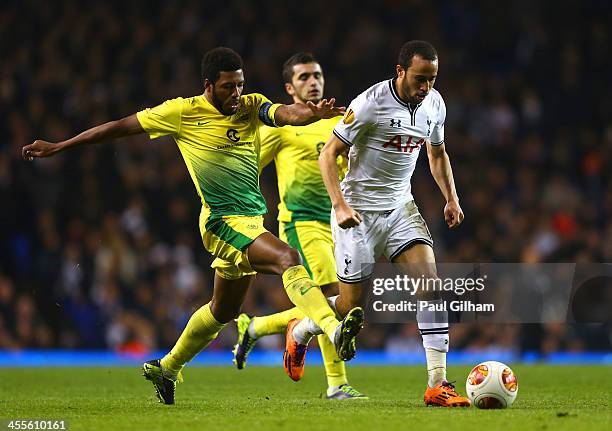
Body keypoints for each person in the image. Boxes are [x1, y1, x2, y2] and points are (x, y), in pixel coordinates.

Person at [21, 47, 365, 405]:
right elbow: (119, 127)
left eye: (240, 85)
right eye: (229, 87)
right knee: (287, 258)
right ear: (208, 86)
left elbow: (283, 112)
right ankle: (332, 328)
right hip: (220, 221)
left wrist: (308, 114)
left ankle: (166, 367)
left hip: (250, 222)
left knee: (223, 311)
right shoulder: (182, 112)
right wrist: (61, 146)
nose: (237, 94)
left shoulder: (250, 105)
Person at [290, 41, 471, 407]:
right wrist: (339, 205)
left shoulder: (435, 105)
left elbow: (437, 153)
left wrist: (451, 197)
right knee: (350, 306)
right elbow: (328, 154)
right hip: (356, 213)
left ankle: (437, 383)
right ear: (401, 71)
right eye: (420, 79)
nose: (426, 87)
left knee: (431, 287)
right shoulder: (369, 103)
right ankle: (303, 328)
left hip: (400, 209)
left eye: (432, 80)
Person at [232, 53, 366, 400]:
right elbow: (247, 168)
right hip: (301, 222)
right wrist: (246, 211)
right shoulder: (281, 127)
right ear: (290, 88)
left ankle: (259, 326)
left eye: (317, 75)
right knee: (330, 292)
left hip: (338, 222)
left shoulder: (338, 121)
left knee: (335, 299)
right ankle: (337, 384)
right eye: (304, 77)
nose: (313, 81)